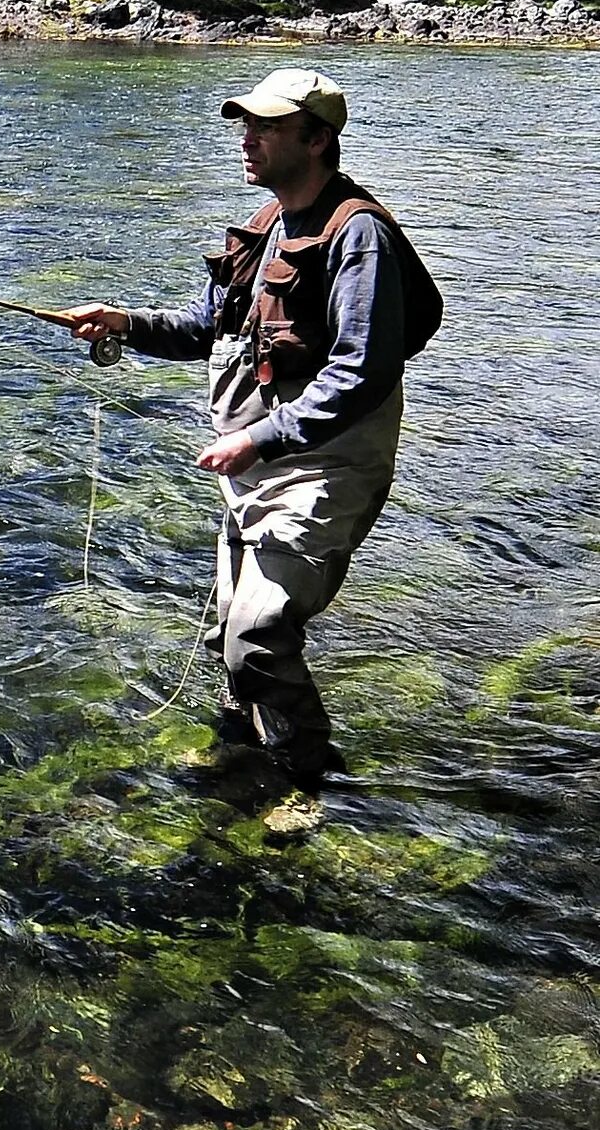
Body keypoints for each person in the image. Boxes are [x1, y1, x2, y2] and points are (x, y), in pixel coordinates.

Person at [59, 67, 440, 826]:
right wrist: (124, 322)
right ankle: (241, 752)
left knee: (260, 634)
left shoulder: (357, 236)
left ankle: (309, 779)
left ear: (317, 139)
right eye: (246, 125)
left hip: (324, 465)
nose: (248, 139)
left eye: (265, 127)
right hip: (260, 460)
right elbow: (206, 328)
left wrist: (260, 439)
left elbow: (365, 371)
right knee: (227, 633)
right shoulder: (268, 225)